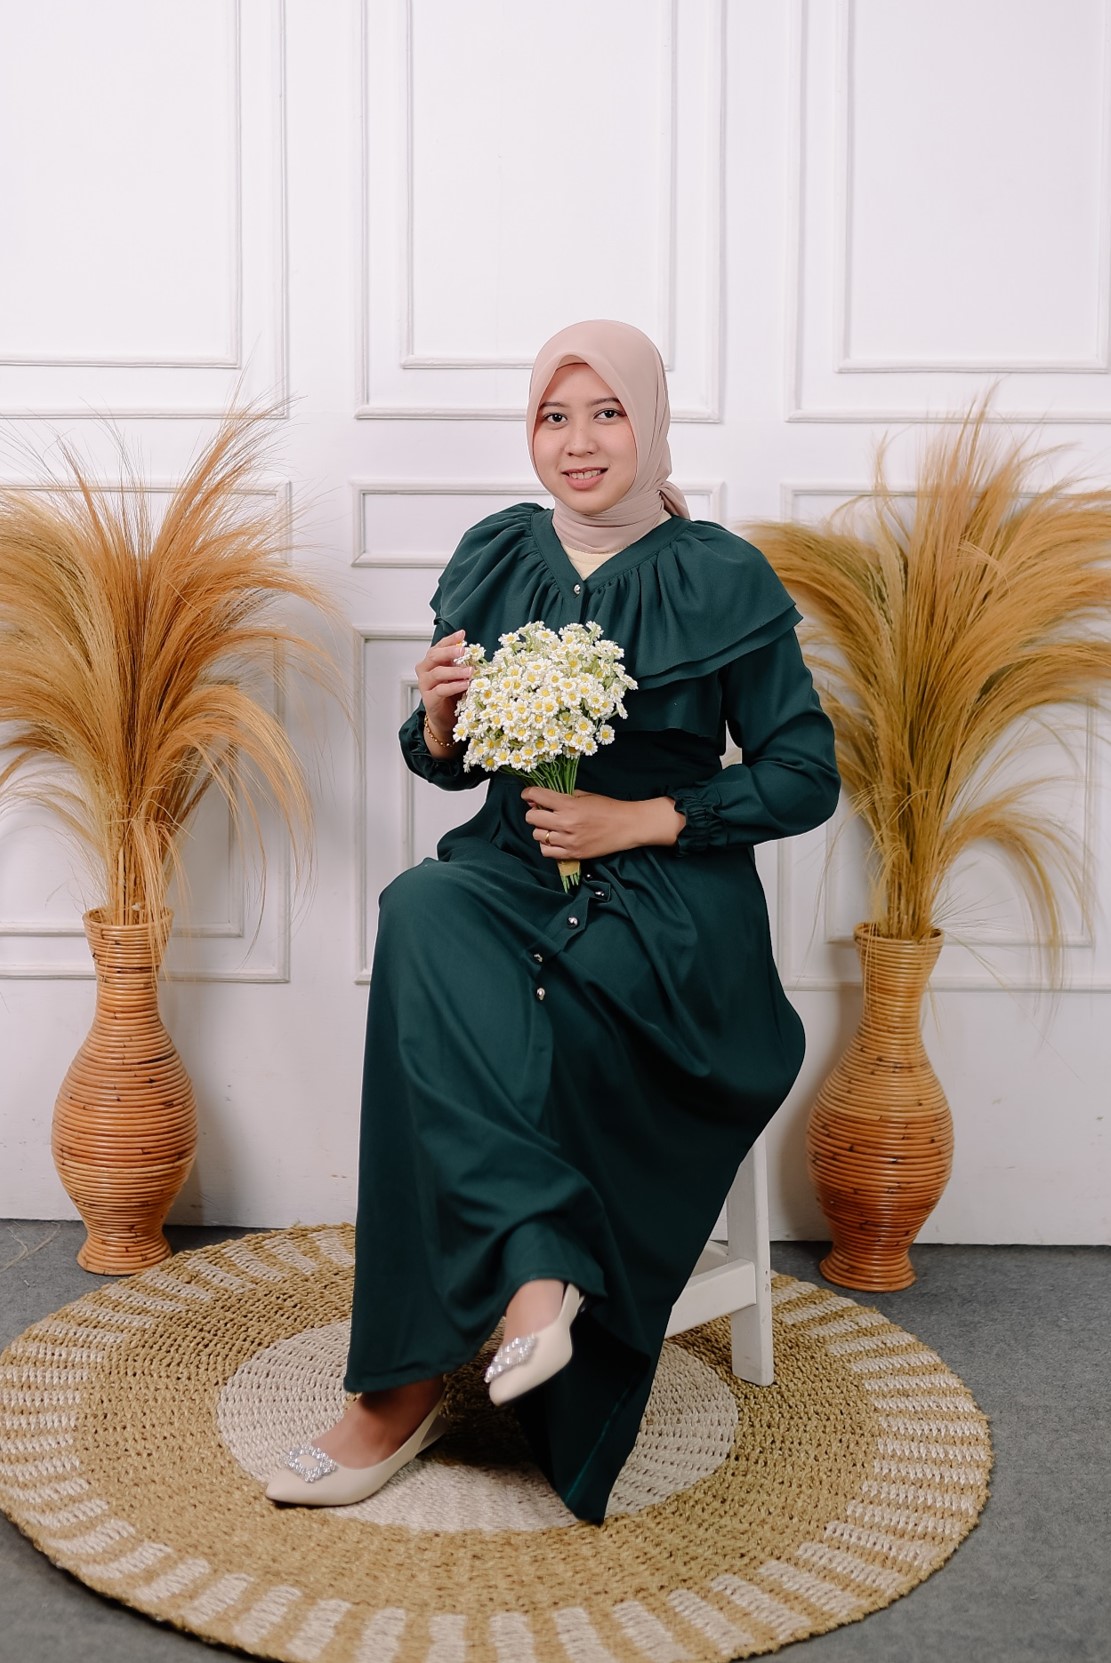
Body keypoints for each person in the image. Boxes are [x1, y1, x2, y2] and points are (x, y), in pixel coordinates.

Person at [265, 320, 840, 1521]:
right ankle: (518, 1277)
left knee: (470, 1021)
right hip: (512, 868)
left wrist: (641, 819)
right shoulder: (498, 552)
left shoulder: (719, 573)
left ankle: (405, 1383)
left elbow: (803, 776)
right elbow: (446, 763)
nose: (579, 442)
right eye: (553, 416)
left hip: (668, 901)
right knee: (422, 905)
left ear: (650, 421)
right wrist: (437, 720)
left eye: (607, 413)